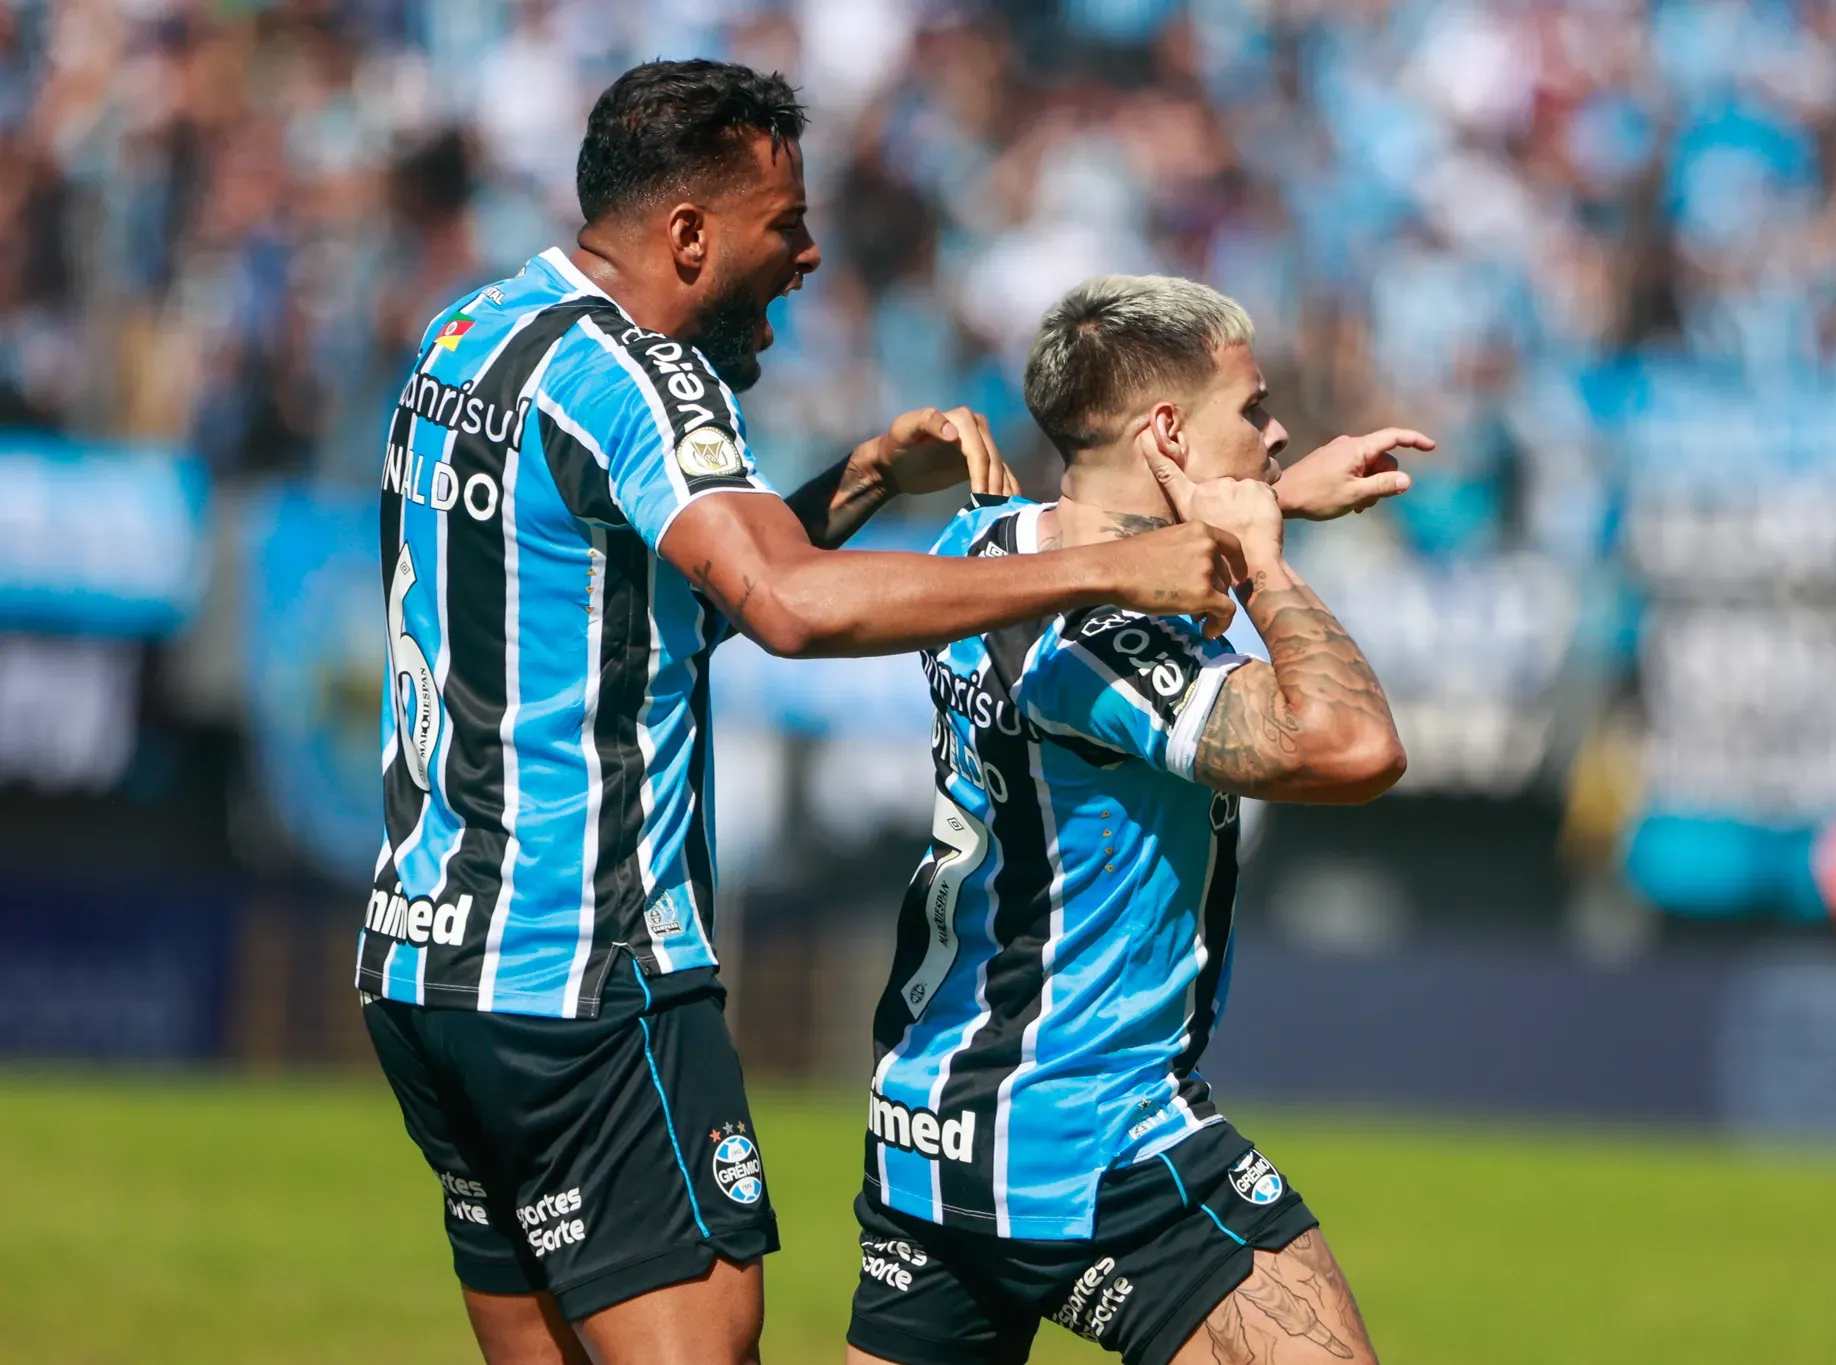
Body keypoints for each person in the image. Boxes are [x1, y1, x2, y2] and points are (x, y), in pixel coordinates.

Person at [359, 66, 1246, 1365]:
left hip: (426, 965)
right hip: (583, 974)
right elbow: (785, 604)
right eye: (785, 223)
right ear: (688, 236)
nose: (811, 253)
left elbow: (653, 608)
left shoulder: (475, 334)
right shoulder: (637, 376)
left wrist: (870, 476)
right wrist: (1107, 566)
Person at [849, 275, 1430, 1365]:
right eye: (1250, 409)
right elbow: (1351, 749)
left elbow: (1109, 548)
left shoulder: (981, 549)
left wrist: (1270, 493)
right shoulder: (1102, 650)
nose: (1277, 428)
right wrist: (1262, 557)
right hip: (1086, 1132)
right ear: (1165, 431)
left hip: (927, 1123)